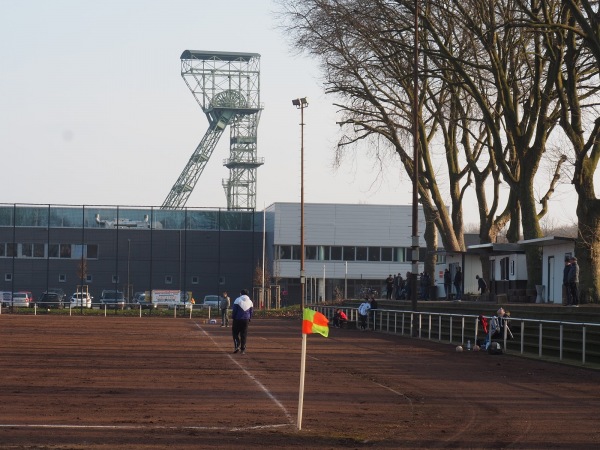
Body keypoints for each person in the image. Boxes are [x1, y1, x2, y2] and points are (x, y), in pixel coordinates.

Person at [231, 289, 253, 354]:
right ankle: (243, 349)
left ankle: (237, 345)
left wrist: (233, 317)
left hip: (237, 319)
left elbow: (234, 310)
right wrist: (250, 318)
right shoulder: (250, 301)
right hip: (246, 320)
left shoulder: (237, 300)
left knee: (235, 333)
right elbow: (251, 311)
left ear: (241, 293)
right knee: (244, 334)